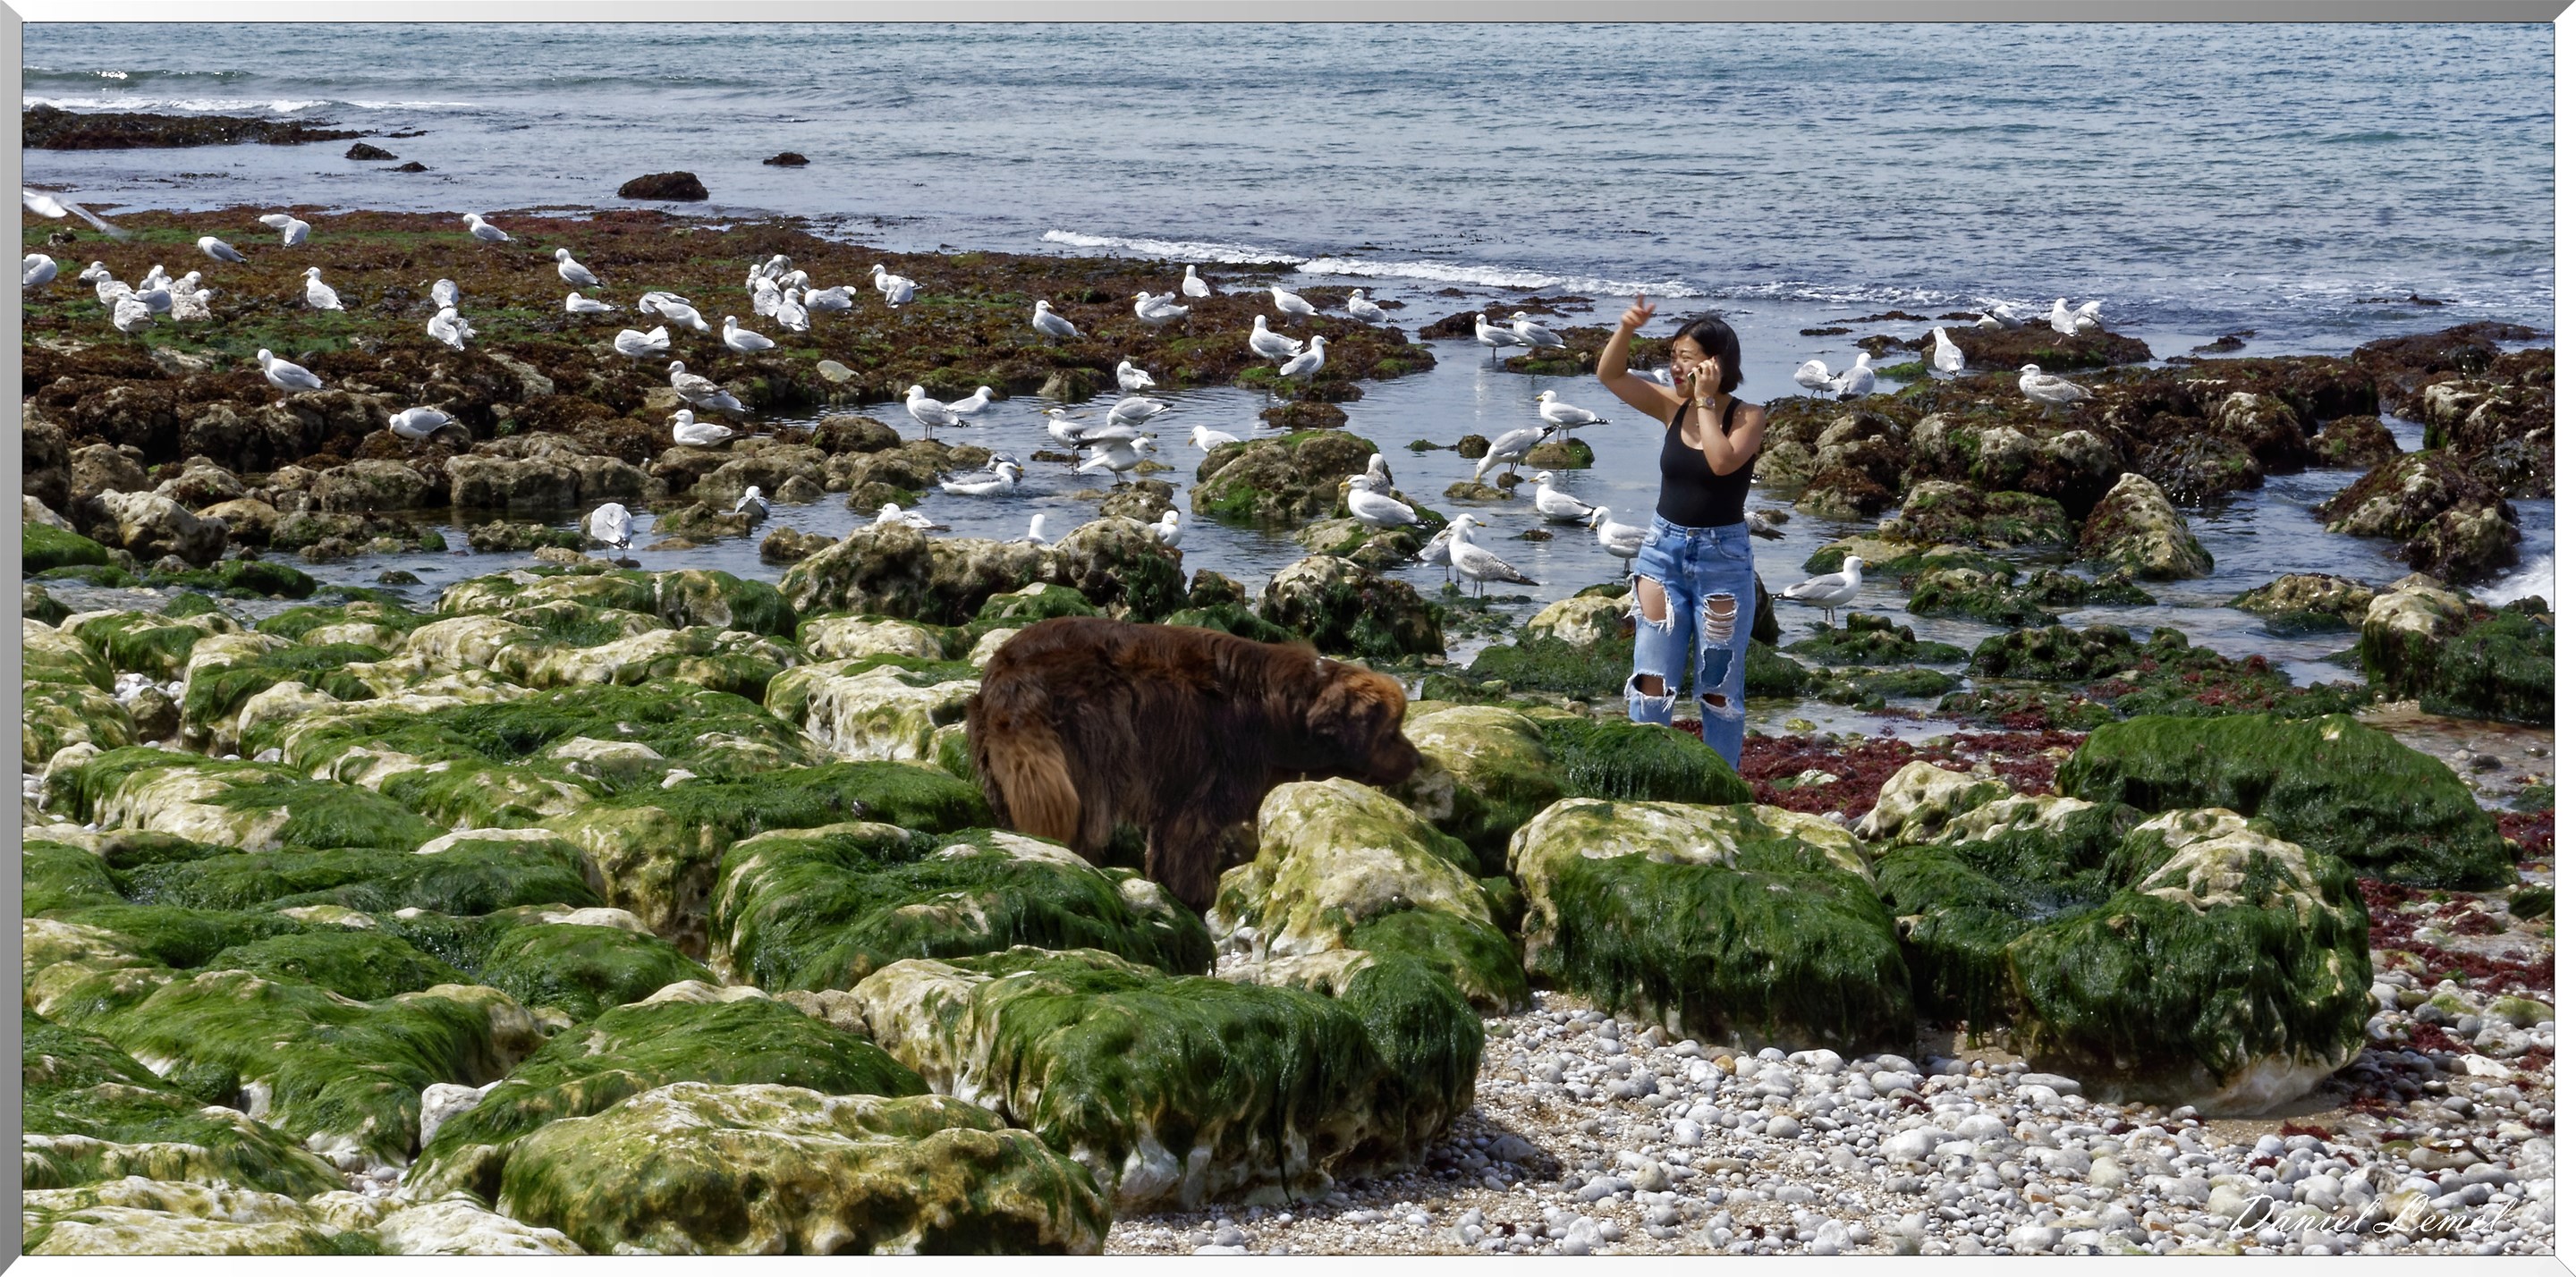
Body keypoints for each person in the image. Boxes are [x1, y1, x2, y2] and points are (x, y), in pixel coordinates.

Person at [1594, 294, 1767, 767]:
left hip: (1722, 562)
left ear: (1714, 363)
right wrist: (1627, 328)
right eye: (1672, 356)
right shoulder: (1672, 406)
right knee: (1652, 680)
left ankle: (1721, 788)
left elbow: (1722, 461)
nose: (1674, 367)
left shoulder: (1748, 416)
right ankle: (1649, 778)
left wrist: (1706, 401)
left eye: (1684, 358)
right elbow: (1610, 375)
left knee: (1718, 689)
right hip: (1661, 555)